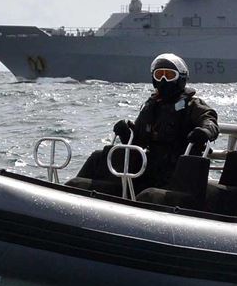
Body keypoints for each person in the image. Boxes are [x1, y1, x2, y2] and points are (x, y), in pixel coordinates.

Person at [73, 53, 219, 192]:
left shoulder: (191, 105)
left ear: (180, 78)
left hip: (173, 168)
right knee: (100, 156)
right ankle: (72, 191)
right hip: (147, 164)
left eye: (168, 75)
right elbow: (138, 140)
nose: (163, 80)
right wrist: (126, 132)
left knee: (150, 193)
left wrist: (206, 131)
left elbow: (209, 118)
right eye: (159, 75)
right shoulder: (151, 106)